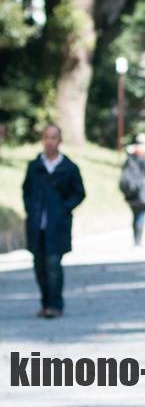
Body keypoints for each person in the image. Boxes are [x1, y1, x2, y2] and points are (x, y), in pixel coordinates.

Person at [22, 125, 85, 318]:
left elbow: (79, 193)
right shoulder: (35, 166)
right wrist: (31, 210)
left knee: (53, 265)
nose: (49, 141)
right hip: (36, 225)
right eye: (46, 137)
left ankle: (55, 305)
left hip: (57, 226)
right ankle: (46, 302)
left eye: (53, 137)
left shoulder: (68, 167)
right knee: (39, 266)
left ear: (60, 140)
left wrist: (63, 209)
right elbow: (26, 191)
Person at [118, 134, 145, 247]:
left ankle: (136, 241)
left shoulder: (130, 158)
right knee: (141, 216)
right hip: (143, 194)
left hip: (130, 194)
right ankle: (138, 242)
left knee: (135, 217)